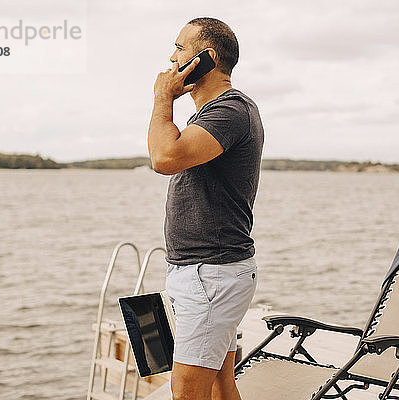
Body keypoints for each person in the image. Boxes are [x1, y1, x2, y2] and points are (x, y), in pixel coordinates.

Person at [147, 17, 264, 400]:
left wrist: (163, 98)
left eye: (180, 48)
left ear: (207, 58)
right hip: (207, 273)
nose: (171, 58)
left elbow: (165, 157)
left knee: (186, 394)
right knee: (218, 383)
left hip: (210, 275)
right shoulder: (213, 114)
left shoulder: (230, 111)